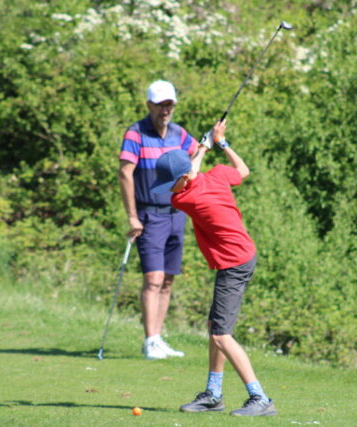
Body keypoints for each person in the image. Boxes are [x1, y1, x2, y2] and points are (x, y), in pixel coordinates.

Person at [150, 120, 276, 417]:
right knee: (215, 329)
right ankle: (213, 394)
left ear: (182, 179)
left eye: (171, 183)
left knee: (221, 335)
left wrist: (204, 147)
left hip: (235, 263)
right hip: (240, 256)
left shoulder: (184, 198)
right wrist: (221, 143)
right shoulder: (217, 175)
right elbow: (242, 171)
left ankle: (260, 398)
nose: (169, 190)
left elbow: (191, 173)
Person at [118, 80, 198, 360]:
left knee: (167, 280)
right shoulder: (136, 133)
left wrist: (213, 139)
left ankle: (158, 338)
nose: (165, 110)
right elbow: (125, 173)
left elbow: (197, 153)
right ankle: (150, 341)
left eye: (169, 105)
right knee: (153, 278)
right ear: (149, 105)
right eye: (160, 105)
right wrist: (132, 216)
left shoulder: (179, 133)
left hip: (177, 213)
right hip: (149, 215)